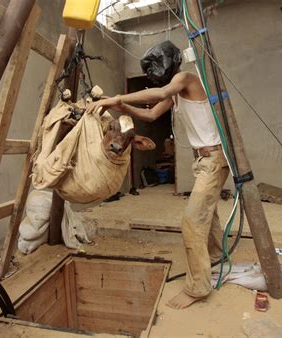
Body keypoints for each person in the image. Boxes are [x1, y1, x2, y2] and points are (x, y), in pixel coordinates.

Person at [86, 41, 229, 309]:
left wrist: (116, 99)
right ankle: (217, 254)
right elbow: (151, 114)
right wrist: (123, 109)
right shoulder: (175, 94)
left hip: (213, 159)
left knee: (191, 221)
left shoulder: (185, 78)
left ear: (171, 62)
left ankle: (198, 287)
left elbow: (160, 92)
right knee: (207, 213)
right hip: (203, 160)